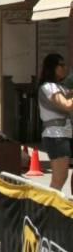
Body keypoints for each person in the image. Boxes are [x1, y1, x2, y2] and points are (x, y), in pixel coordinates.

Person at [38, 53, 73, 193]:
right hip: (56, 135)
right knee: (59, 178)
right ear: (52, 67)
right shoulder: (48, 87)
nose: (65, 68)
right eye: (61, 65)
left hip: (67, 133)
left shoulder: (61, 87)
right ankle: (47, 211)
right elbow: (66, 105)